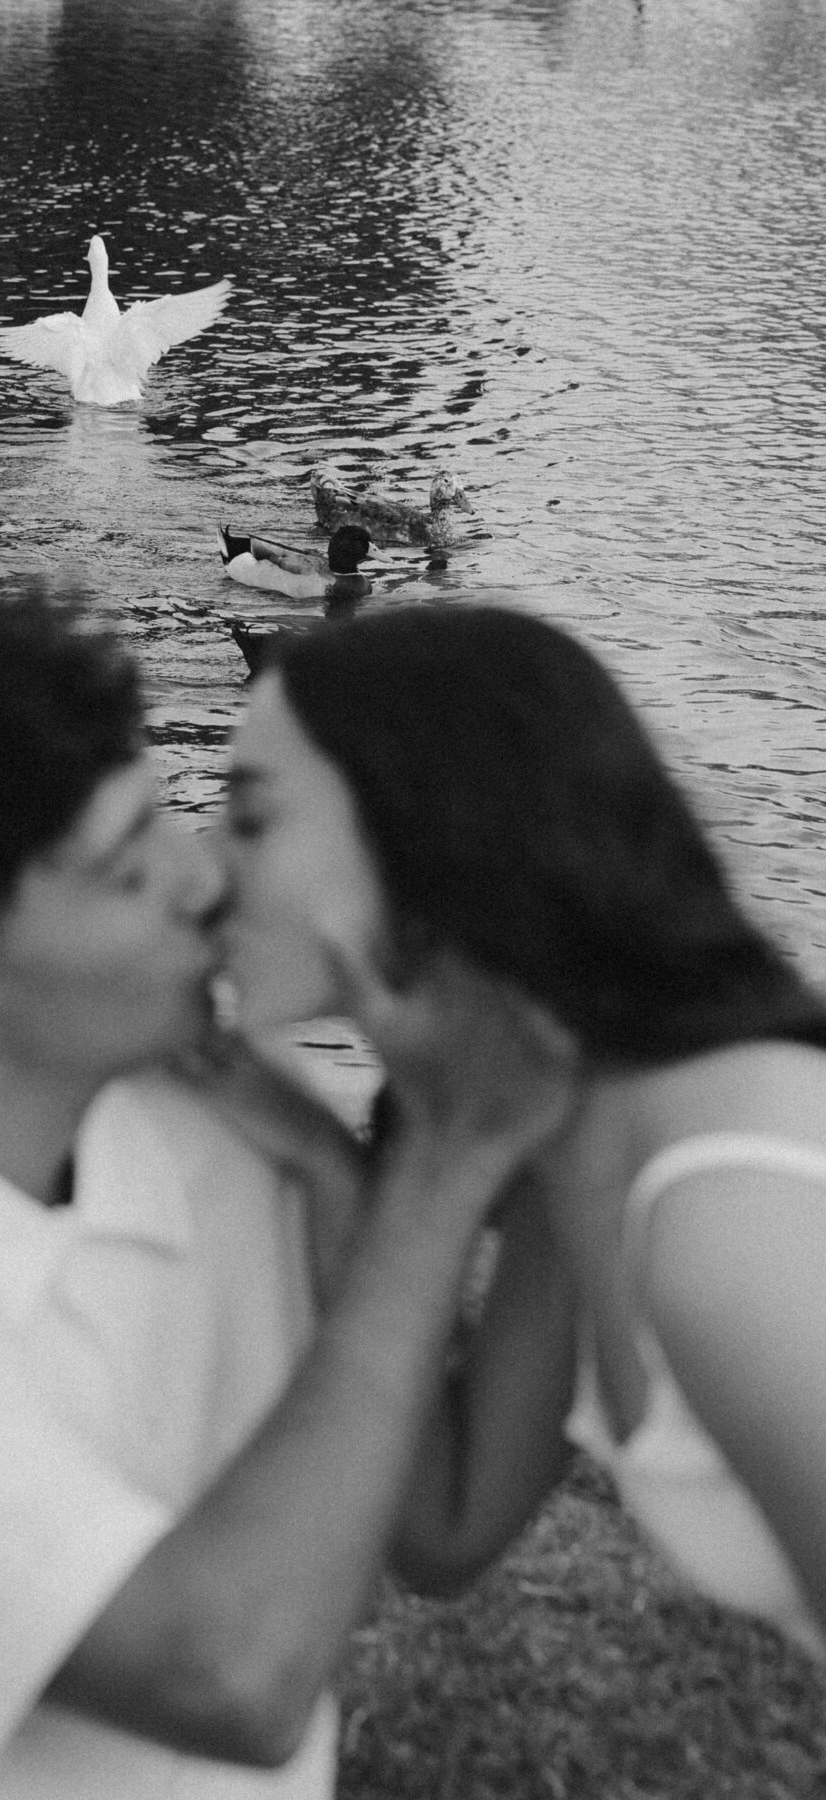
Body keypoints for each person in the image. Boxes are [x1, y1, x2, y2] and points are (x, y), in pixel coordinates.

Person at [0, 585, 571, 1800]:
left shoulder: (205, 1124)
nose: (205, 879)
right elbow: (233, 1675)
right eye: (131, 866)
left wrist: (556, 1114)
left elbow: (441, 1518)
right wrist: (442, 1168)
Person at [219, 600, 826, 1663]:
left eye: (253, 819)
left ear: (419, 831)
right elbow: (447, 1529)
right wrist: (330, 1171)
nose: (198, 870)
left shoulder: (728, 1215)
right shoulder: (573, 1143)